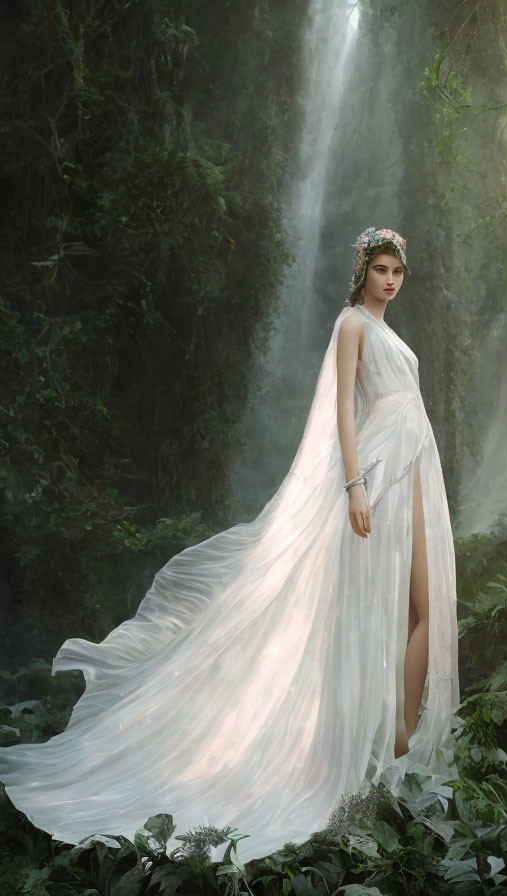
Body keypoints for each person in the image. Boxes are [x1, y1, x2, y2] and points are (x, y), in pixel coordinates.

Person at [0, 227, 459, 865]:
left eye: (397, 271)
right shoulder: (352, 324)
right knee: (394, 605)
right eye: (380, 268)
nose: (390, 279)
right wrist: (354, 485)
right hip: (380, 469)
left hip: (414, 465)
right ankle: (393, 737)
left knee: (426, 607)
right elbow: (342, 413)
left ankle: (401, 733)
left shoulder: (393, 334)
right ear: (362, 273)